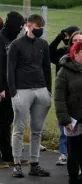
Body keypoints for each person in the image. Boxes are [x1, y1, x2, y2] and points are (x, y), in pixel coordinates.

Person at [7, 14, 52, 178]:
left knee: (36, 130)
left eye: (41, 27)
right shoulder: (16, 45)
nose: (39, 30)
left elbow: (46, 67)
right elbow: (10, 70)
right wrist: (13, 93)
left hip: (41, 89)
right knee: (19, 129)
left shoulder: (43, 44)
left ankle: (35, 164)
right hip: (22, 90)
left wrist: (48, 91)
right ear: (29, 26)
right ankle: (17, 164)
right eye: (37, 27)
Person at [0, 11, 27, 168]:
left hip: (11, 88)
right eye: (18, 26)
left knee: (7, 121)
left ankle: (8, 155)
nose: (20, 30)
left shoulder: (13, 39)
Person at [49, 26, 80, 166]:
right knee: (66, 128)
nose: (78, 42)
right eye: (75, 40)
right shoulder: (64, 55)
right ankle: (63, 153)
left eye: (80, 40)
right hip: (65, 96)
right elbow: (50, 54)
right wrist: (58, 38)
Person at [55, 42, 82, 184]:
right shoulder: (64, 72)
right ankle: (73, 179)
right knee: (74, 153)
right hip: (74, 120)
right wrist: (65, 120)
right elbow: (60, 98)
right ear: (75, 54)